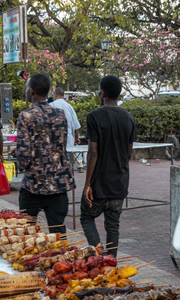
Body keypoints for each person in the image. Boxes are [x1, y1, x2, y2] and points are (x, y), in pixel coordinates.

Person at [81, 75, 136, 256]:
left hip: (99, 182)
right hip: (119, 182)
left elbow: (93, 153)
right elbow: (129, 153)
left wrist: (87, 183)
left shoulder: (94, 116)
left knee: (86, 216)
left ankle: (98, 254)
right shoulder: (129, 118)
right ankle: (110, 262)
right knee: (113, 225)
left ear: (102, 93)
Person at [15, 73, 74, 233]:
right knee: (58, 233)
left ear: (32, 91)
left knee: (26, 234)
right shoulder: (60, 114)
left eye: (27, 88)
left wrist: (20, 159)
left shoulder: (26, 116)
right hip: (59, 184)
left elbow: (23, 157)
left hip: (34, 184)